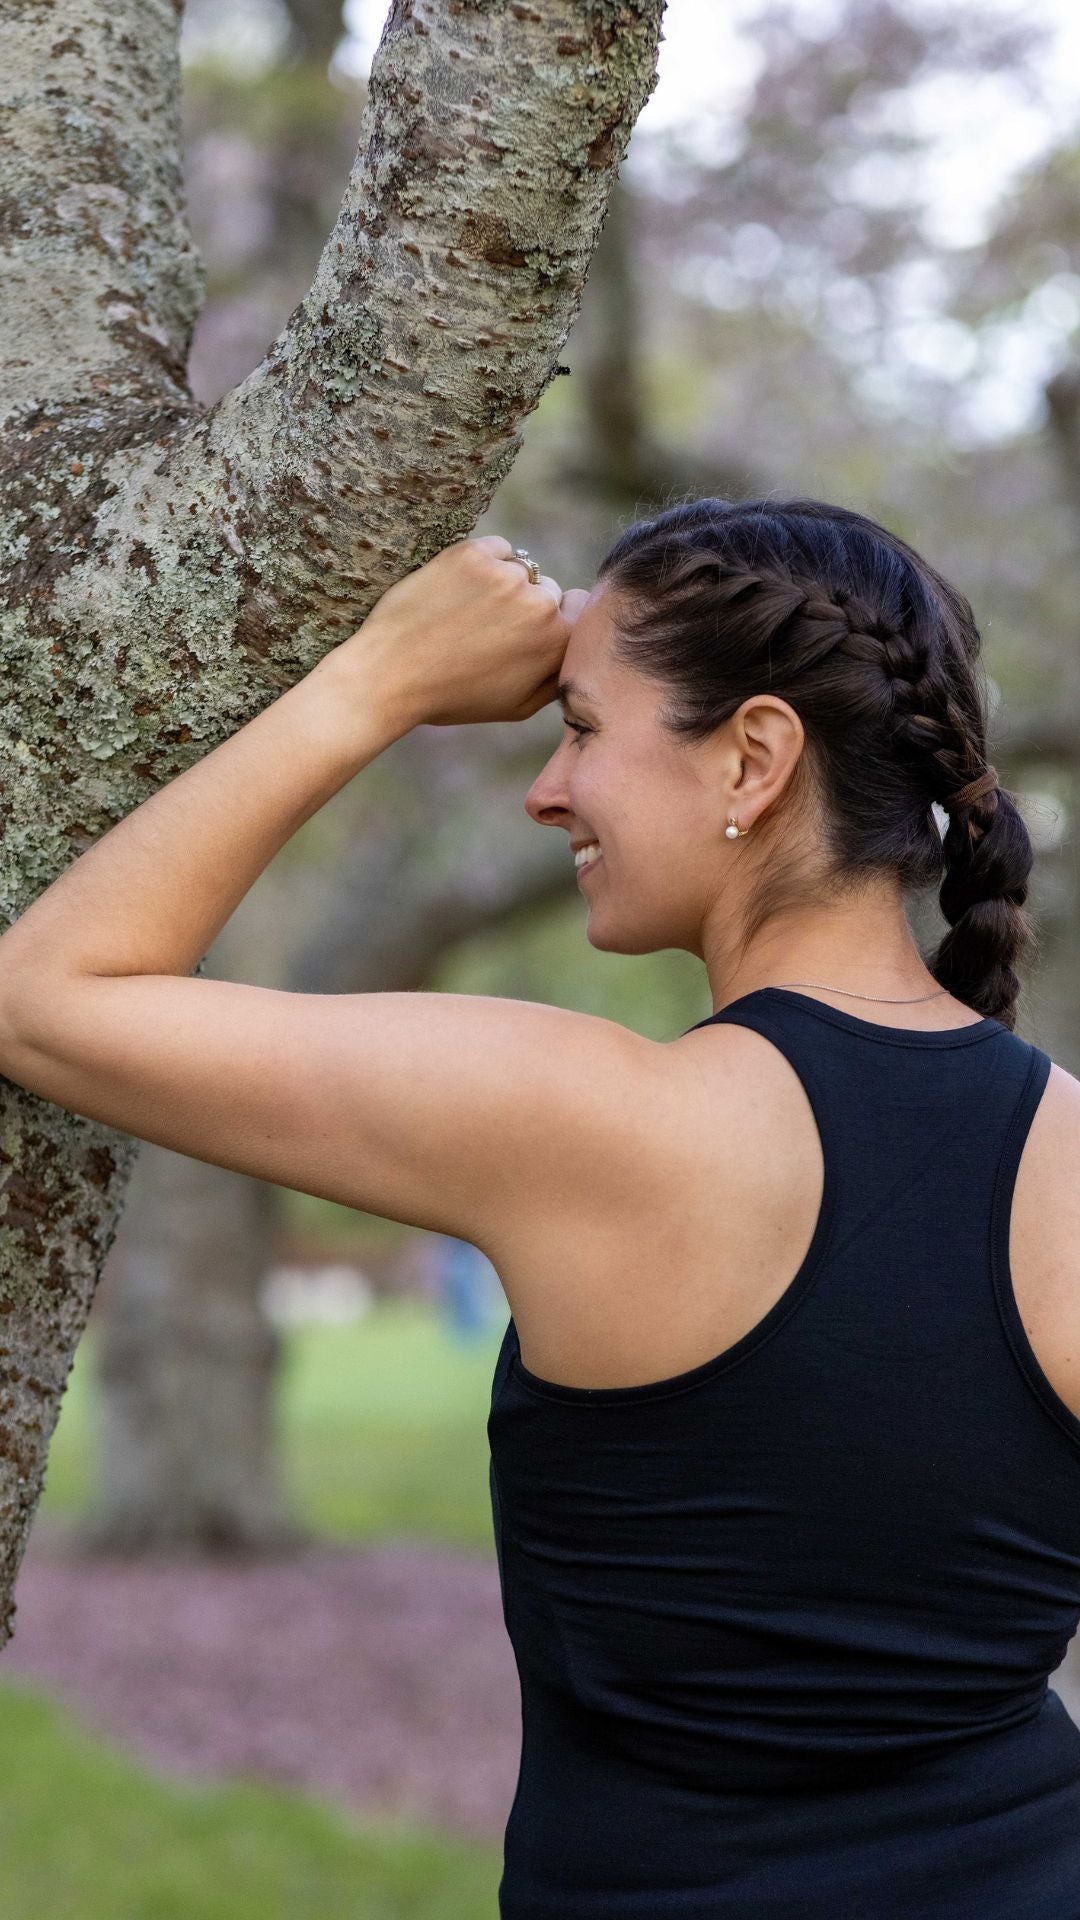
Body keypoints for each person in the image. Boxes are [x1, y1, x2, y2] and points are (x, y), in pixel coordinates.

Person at [2, 497, 1080, 1916]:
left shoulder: (585, 1122)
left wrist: (379, 678)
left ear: (754, 756)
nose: (545, 789)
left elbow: (44, 996)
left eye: (580, 727)